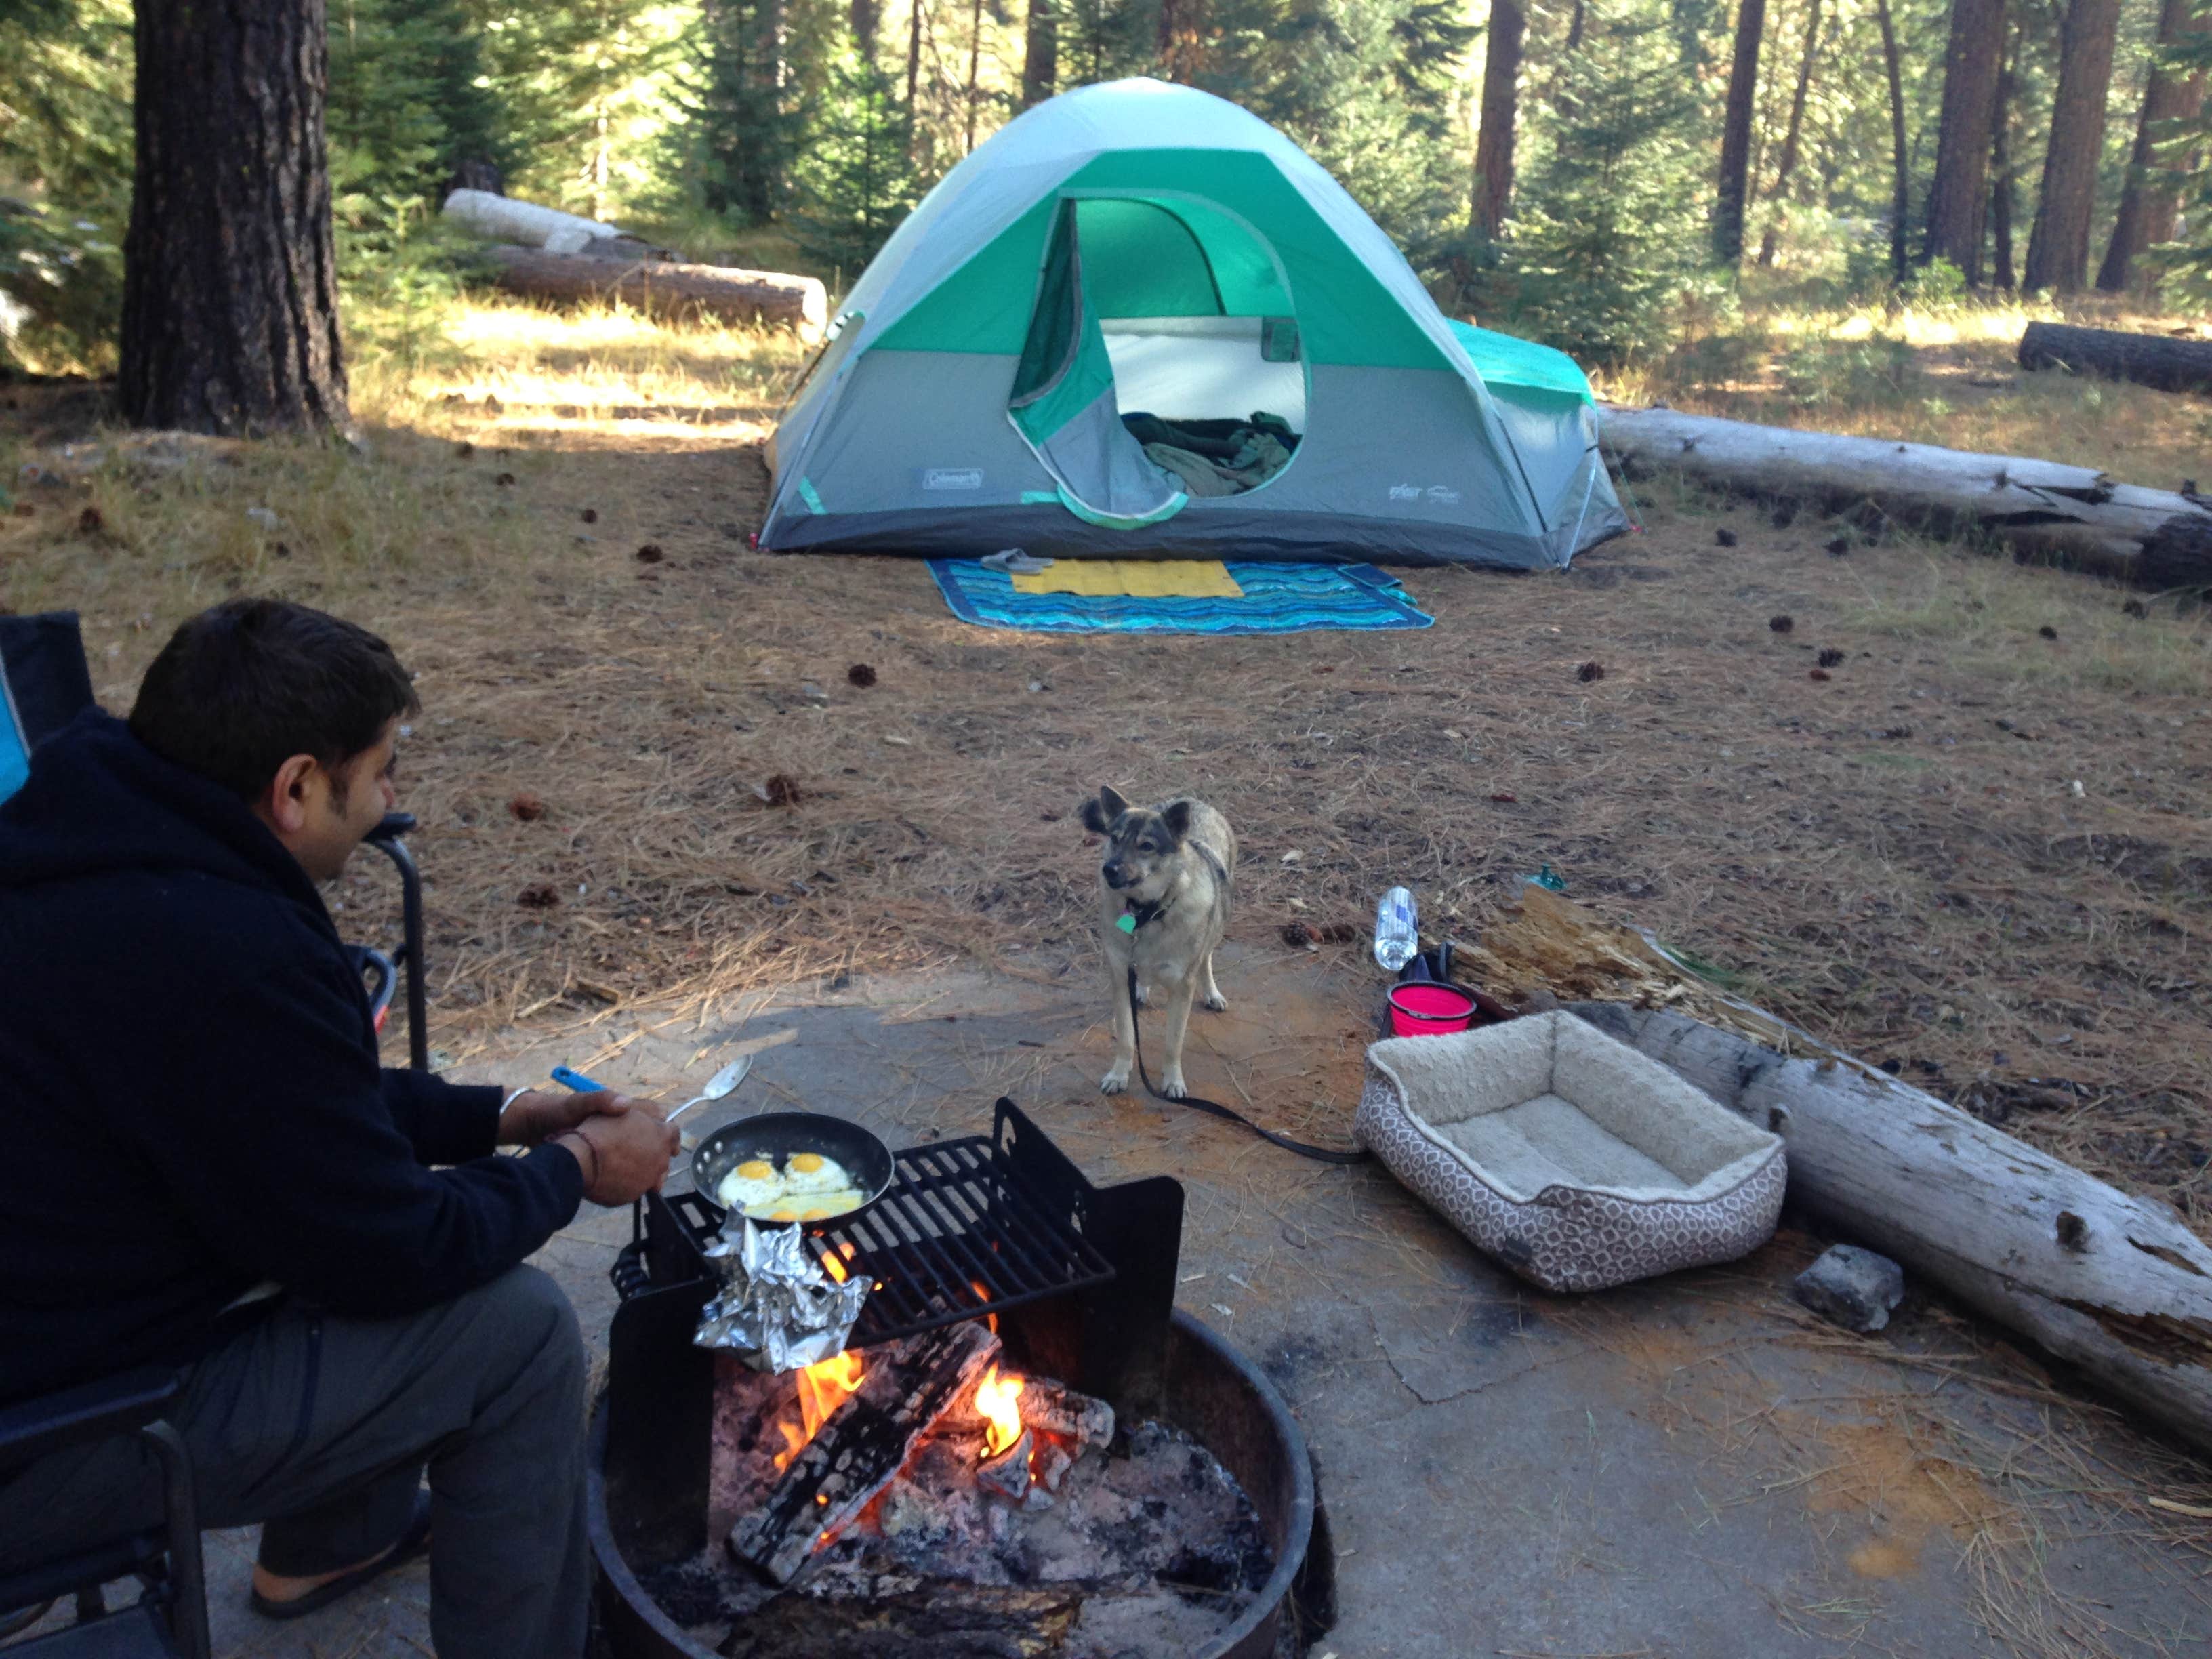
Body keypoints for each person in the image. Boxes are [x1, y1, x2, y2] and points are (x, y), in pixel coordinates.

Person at [0, 599, 678, 1657]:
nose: (391, 797)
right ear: (297, 788)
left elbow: (293, 1117)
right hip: (54, 1440)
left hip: (54, 1338)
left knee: (327, 1236)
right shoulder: (223, 952)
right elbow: (386, 1245)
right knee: (517, 1335)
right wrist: (576, 1166)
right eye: (381, 771)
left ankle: (319, 1550)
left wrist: (505, 1118)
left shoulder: (96, 843)